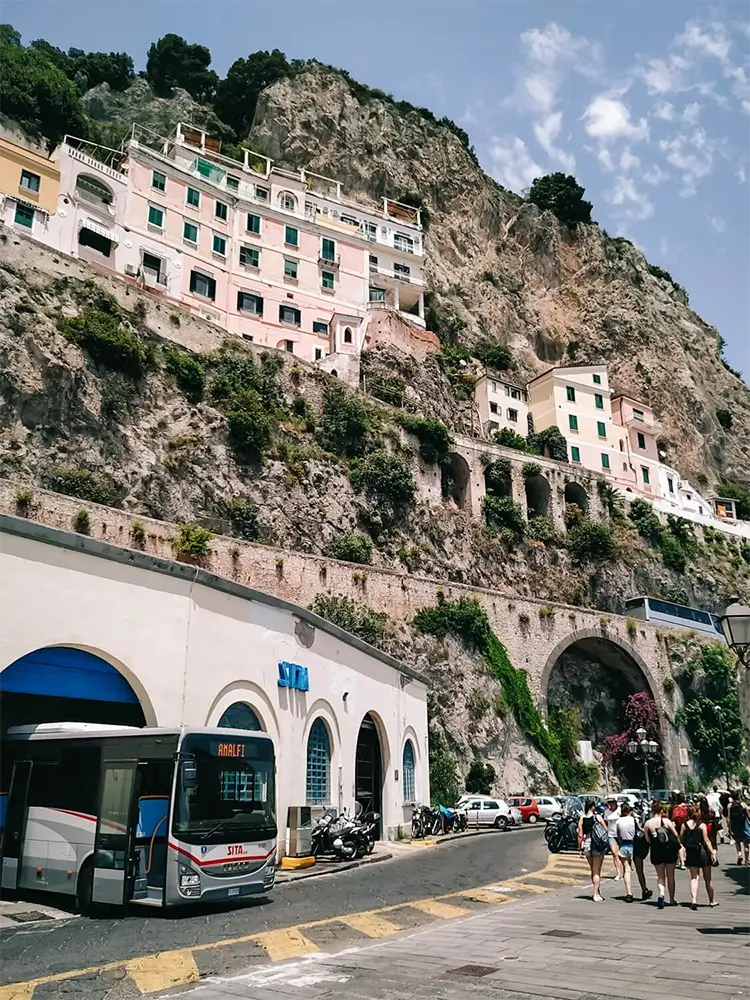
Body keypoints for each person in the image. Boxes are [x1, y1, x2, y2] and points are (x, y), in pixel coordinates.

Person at [681, 803, 718, 910]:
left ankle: (694, 900)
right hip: (702, 852)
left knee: (694, 878)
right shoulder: (701, 825)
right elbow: (706, 840)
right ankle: (711, 900)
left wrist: (686, 846)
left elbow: (681, 839)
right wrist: (713, 853)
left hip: (691, 852)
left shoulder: (684, 825)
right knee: (708, 878)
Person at [644, 800, 680, 908]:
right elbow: (676, 834)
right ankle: (672, 899)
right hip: (669, 850)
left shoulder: (648, 823)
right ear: (661, 811)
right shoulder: (666, 821)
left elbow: (647, 840)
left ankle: (661, 894)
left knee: (660, 876)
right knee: (670, 875)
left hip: (656, 850)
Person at [578, 797, 608, 902]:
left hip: (587, 844)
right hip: (596, 845)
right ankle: (595, 894)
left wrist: (580, 849)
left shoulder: (582, 818)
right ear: (593, 807)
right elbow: (605, 830)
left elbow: (580, 835)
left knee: (592, 870)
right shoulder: (597, 817)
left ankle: (597, 892)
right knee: (597, 871)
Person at [615, 802, 637, 902]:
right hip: (634, 845)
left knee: (626, 870)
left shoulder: (618, 821)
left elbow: (618, 835)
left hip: (623, 845)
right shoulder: (633, 820)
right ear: (630, 811)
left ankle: (629, 893)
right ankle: (644, 889)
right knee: (639, 869)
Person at [604, 796, 623, 881]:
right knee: (614, 854)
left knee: (622, 854)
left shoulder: (620, 811)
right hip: (611, 834)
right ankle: (618, 873)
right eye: (609, 803)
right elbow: (605, 822)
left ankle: (626, 870)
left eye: (612, 802)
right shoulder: (606, 812)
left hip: (621, 835)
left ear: (615, 803)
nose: (610, 804)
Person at [729, 790, 750, 865]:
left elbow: (729, 818)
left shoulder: (730, 806)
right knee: (745, 843)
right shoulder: (743, 804)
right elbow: (748, 815)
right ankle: (747, 860)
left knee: (737, 842)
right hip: (744, 824)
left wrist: (729, 828)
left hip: (735, 825)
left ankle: (739, 854)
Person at [670, 792, 688, 870]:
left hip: (678, 827)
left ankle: (682, 862)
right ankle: (684, 860)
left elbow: (673, 820)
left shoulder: (675, 808)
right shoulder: (687, 807)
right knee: (685, 844)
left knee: (680, 845)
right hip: (687, 827)